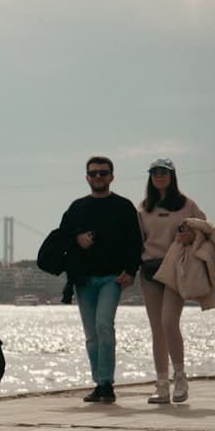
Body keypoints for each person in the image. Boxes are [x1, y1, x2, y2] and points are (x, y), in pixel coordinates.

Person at [57, 156, 142, 404]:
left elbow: (135, 241)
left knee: (104, 326)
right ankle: (99, 383)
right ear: (87, 177)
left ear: (111, 177)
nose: (98, 177)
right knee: (92, 335)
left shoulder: (124, 206)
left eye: (103, 173)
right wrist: (77, 238)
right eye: (93, 173)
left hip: (112, 279)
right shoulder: (77, 208)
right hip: (83, 280)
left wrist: (131, 271)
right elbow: (61, 237)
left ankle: (106, 383)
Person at [137, 158, 207, 404]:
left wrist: (191, 235)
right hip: (149, 269)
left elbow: (206, 229)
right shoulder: (143, 208)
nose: (159, 176)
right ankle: (161, 384)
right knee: (157, 329)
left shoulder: (187, 205)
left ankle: (180, 377)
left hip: (176, 267)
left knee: (169, 322)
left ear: (172, 175)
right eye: (155, 172)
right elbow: (137, 240)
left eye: (163, 172)